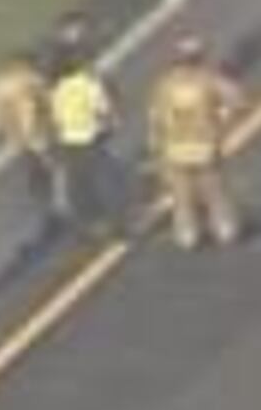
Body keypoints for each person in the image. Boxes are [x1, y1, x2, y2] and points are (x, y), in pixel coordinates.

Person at [144, 35, 248, 250]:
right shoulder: (209, 80)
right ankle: (225, 228)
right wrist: (222, 117)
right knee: (214, 189)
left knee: (182, 194)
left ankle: (188, 234)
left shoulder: (165, 84)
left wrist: (155, 142)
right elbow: (238, 101)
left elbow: (155, 116)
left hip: (175, 146)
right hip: (204, 144)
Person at [43, 27, 120, 237]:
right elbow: (104, 109)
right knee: (101, 177)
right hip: (90, 138)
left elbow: (54, 117)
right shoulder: (88, 84)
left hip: (69, 141)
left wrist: (54, 139)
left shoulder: (57, 90)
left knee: (79, 184)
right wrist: (111, 123)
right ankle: (107, 219)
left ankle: (91, 222)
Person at [0, 47, 52, 214]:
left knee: (35, 160)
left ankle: (42, 191)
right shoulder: (29, 78)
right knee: (45, 159)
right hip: (32, 130)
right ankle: (47, 192)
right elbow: (46, 97)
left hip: (15, 132)